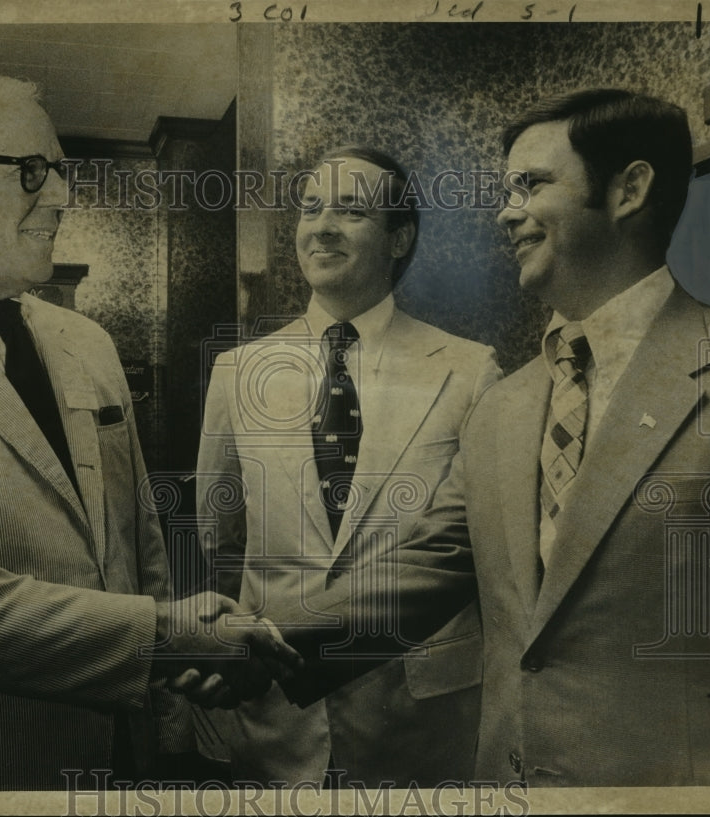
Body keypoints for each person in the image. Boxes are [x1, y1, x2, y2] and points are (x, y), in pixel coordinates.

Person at [0, 74, 297, 791]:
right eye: (33, 171)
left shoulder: (87, 341)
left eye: (62, 171)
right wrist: (165, 635)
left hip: (118, 765)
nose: (64, 196)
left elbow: (140, 546)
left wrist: (180, 676)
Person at [410, 88, 710, 786]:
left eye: (531, 184)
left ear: (629, 189)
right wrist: (251, 637)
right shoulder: (501, 407)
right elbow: (424, 568)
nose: (506, 212)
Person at [194, 145, 501, 786]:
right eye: (311, 209)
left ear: (399, 238)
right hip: (274, 719)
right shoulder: (238, 371)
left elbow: (476, 552)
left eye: (352, 210)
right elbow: (218, 541)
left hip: (420, 715)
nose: (322, 226)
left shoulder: (469, 371)